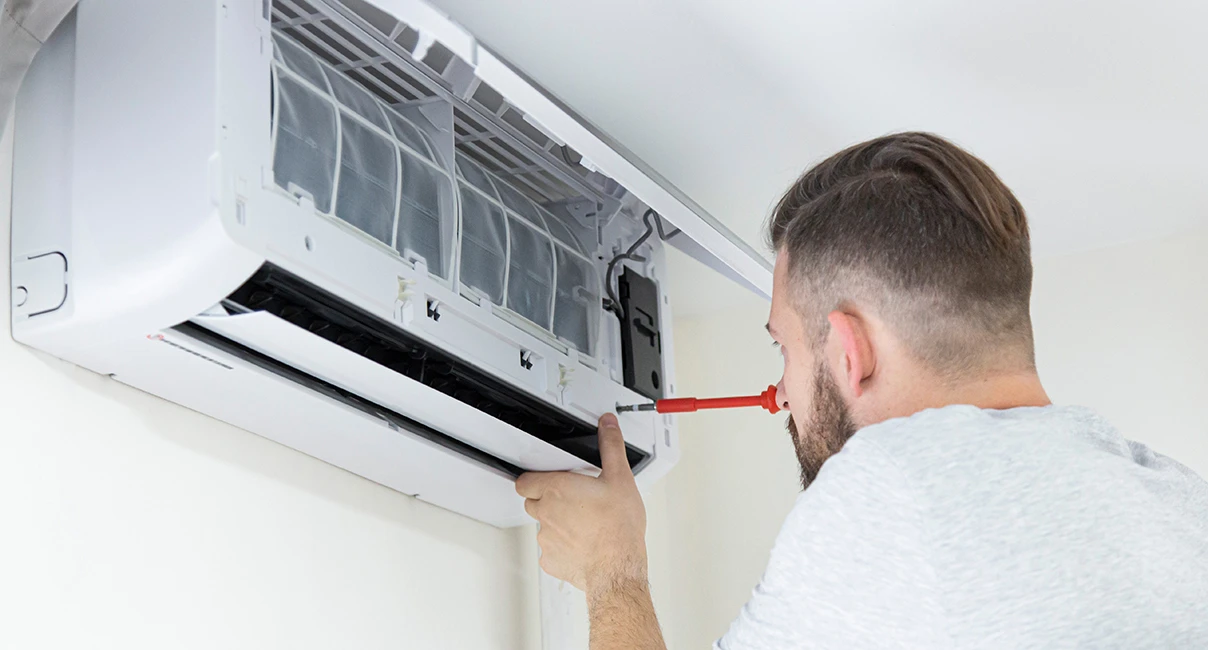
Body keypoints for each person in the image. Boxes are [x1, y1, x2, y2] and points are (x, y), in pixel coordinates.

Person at [516, 132, 1208, 649]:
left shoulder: (891, 490)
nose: (782, 393)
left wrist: (613, 571)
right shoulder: (1180, 504)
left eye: (783, 347)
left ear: (850, 351)